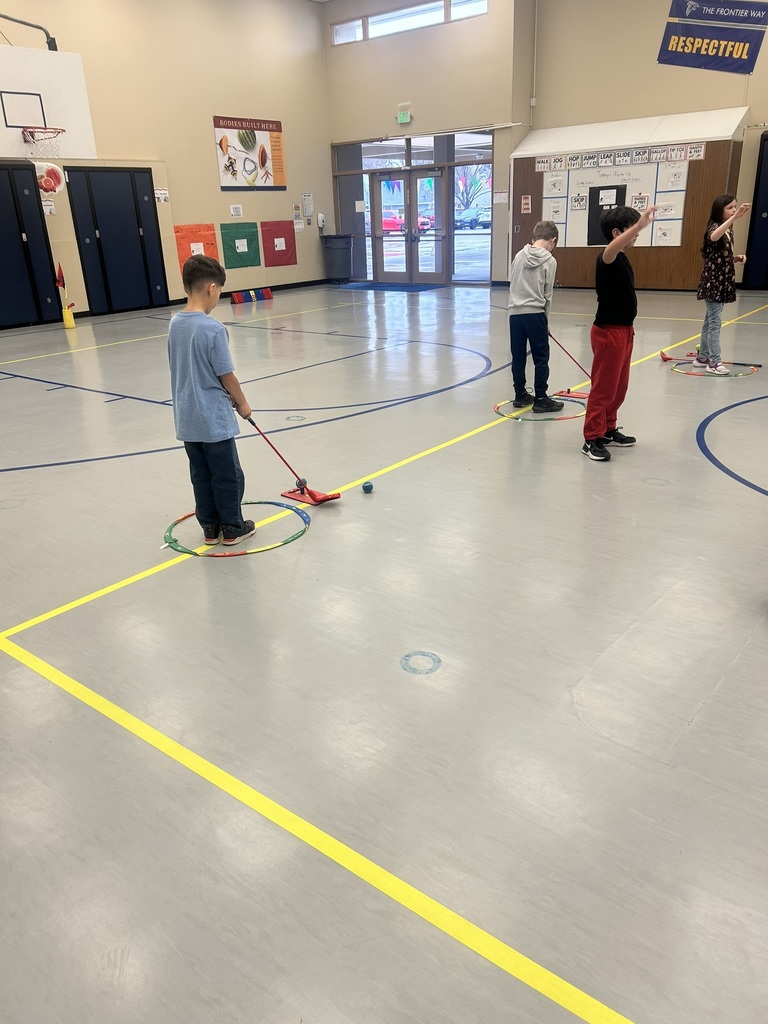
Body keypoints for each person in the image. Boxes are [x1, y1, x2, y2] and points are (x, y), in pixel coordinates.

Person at [168, 255, 255, 546]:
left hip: (187, 417)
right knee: (228, 475)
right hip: (213, 420)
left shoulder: (175, 324)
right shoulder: (213, 329)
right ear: (212, 288)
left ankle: (210, 528)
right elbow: (226, 375)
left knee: (201, 475)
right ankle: (232, 527)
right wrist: (242, 403)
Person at [581, 204, 657, 462]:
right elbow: (609, 250)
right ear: (617, 233)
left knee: (619, 388)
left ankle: (608, 428)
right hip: (607, 334)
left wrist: (635, 227)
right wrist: (639, 224)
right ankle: (591, 438)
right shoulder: (608, 256)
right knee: (603, 388)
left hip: (625, 332)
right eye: (631, 230)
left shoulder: (622, 257)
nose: (637, 235)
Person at [508, 220, 564, 413]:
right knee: (541, 358)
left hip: (515, 314)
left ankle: (520, 394)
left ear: (535, 238)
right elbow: (548, 294)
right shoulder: (550, 260)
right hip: (535, 314)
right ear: (552, 240)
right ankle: (541, 398)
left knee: (518, 357)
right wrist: (545, 320)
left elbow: (513, 283)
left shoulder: (519, 255)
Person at [693, 194, 750, 375]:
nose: (734, 210)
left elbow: (719, 258)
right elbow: (713, 237)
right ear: (720, 210)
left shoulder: (728, 230)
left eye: (735, 207)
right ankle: (714, 363)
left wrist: (735, 258)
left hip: (722, 281)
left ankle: (702, 357)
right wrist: (735, 217)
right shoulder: (715, 227)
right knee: (715, 323)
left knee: (709, 321)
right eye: (730, 208)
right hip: (713, 283)